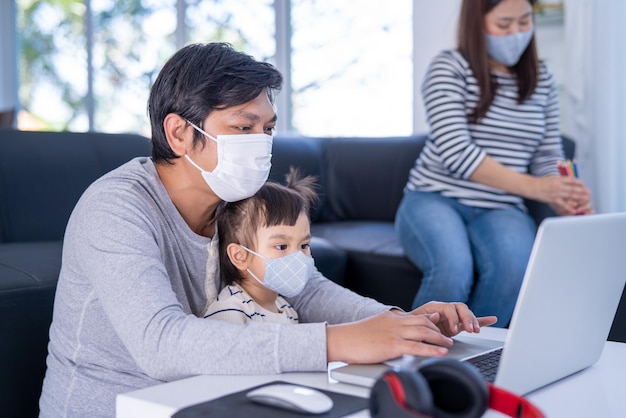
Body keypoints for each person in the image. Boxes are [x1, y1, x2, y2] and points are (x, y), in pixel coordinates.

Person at [39, 42, 496, 418]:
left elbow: (307, 289)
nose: (260, 144)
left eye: (268, 129)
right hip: (117, 407)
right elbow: (160, 343)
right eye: (243, 127)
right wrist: (336, 342)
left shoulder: (239, 199)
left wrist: (397, 323)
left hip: (211, 398)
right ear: (179, 133)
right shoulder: (116, 207)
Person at [395, 0, 593, 328]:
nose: (515, 33)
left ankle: (475, 367)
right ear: (477, 22)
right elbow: (457, 151)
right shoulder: (449, 67)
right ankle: (414, 366)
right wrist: (538, 188)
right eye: (503, 25)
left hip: (501, 207)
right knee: (452, 269)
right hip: (434, 198)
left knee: (515, 270)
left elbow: (547, 154)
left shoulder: (541, 77)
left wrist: (562, 192)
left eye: (524, 21)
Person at [204, 168, 318, 324]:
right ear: (240, 256)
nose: (297, 256)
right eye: (282, 246)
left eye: (304, 245)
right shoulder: (229, 310)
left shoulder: (287, 310)